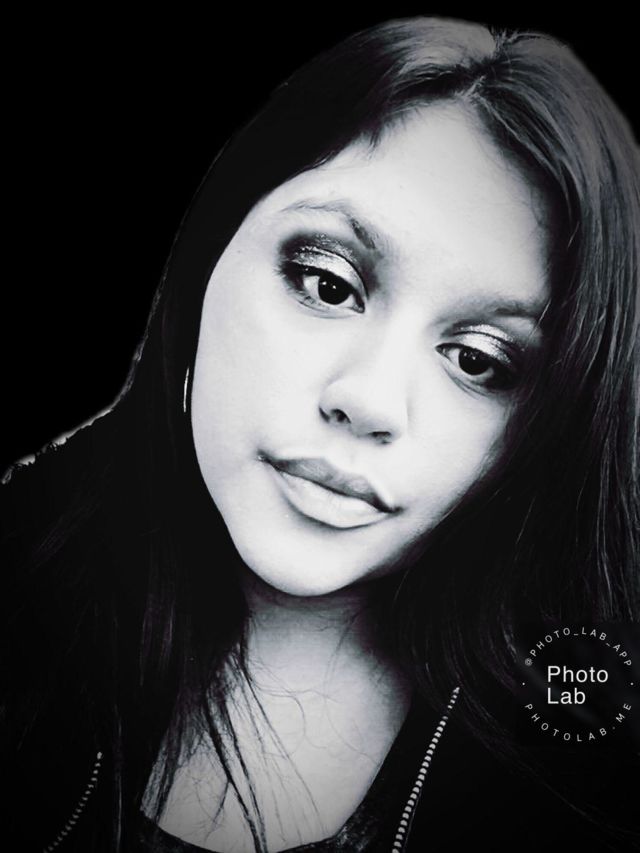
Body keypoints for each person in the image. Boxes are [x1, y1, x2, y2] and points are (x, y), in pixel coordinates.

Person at [2, 15, 638, 853]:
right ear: (201, 262)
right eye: (327, 283)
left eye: (479, 361)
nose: (369, 400)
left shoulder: (589, 763)